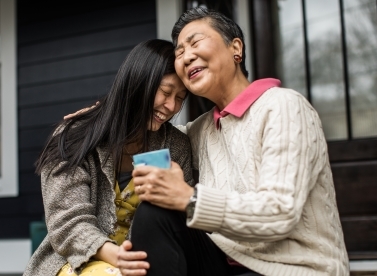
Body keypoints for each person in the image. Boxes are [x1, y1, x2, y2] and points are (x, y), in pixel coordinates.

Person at [130, 7, 350, 276]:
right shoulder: (202, 129)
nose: (186, 56)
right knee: (155, 214)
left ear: (236, 48)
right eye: (179, 52)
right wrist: (98, 116)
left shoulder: (283, 106)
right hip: (225, 264)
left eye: (195, 42)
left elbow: (279, 213)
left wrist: (189, 198)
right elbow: (152, 129)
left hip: (294, 269)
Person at [23, 39, 194, 276]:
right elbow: (68, 223)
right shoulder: (75, 137)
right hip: (74, 262)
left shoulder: (175, 146)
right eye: (165, 92)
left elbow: (178, 221)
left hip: (148, 262)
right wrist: (118, 257)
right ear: (137, 82)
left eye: (180, 98)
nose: (171, 106)